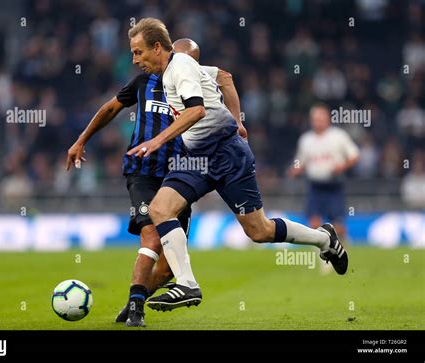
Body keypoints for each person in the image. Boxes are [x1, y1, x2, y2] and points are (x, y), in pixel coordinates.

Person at [126, 18, 349, 312]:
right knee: (159, 209)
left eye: (139, 52)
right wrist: (239, 119)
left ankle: (324, 239)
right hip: (198, 158)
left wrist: (158, 141)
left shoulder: (179, 67)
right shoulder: (174, 69)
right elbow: (226, 78)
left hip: (226, 154)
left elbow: (195, 111)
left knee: (259, 231)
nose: (135, 60)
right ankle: (187, 284)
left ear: (157, 48)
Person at [66, 38, 245, 325]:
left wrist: (237, 122)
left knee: (166, 271)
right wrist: (81, 139)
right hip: (144, 171)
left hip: (181, 174)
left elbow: (226, 78)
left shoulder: (198, 86)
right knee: (150, 234)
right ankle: (137, 309)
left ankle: (134, 299)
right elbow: (110, 108)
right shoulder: (143, 82)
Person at [288, 103, 360, 241]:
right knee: (314, 223)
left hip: (334, 184)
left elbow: (355, 155)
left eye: (320, 118)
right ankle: (322, 257)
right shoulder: (306, 139)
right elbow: (300, 161)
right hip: (315, 185)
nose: (318, 122)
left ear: (327, 119)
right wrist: (294, 171)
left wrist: (342, 166)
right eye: (315, 119)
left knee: (338, 225)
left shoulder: (338, 136)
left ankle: (343, 247)